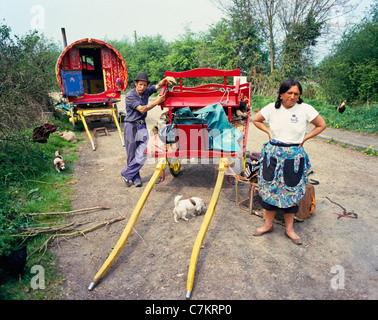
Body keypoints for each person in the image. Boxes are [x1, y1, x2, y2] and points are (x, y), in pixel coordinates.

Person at [252, 79, 326, 245]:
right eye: (289, 93)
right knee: (269, 188)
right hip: (272, 154)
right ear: (282, 93)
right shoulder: (272, 108)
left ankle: (289, 229)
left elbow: (321, 125)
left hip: (293, 157)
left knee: (291, 190)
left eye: (296, 94)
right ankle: (268, 225)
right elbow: (256, 120)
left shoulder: (305, 109)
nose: (292, 97)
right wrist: (269, 132)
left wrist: (305, 138)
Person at [120, 72, 176, 187]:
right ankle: (135, 178)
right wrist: (156, 102)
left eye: (145, 85)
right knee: (131, 154)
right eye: (140, 84)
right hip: (131, 126)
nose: (142, 87)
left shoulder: (146, 92)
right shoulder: (131, 96)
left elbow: (157, 86)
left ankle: (126, 173)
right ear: (135, 84)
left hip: (142, 126)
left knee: (145, 151)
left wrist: (165, 79)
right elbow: (141, 109)